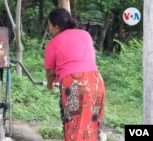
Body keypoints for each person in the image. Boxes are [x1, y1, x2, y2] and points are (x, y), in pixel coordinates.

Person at [44, 8, 106, 141]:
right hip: (96, 81)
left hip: (74, 85)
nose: (49, 29)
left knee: (74, 125)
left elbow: (50, 72)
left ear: (57, 26)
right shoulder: (85, 35)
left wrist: (50, 84)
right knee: (91, 124)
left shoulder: (53, 44)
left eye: (49, 25)